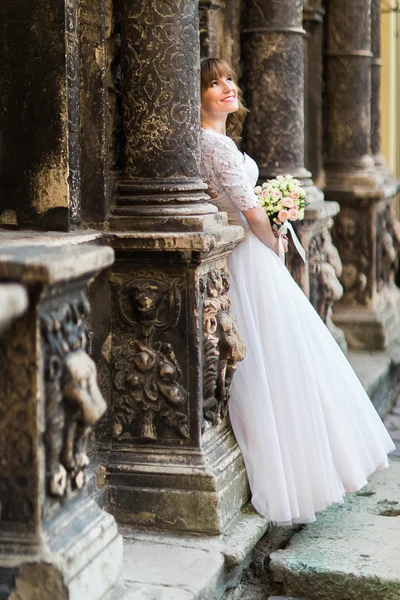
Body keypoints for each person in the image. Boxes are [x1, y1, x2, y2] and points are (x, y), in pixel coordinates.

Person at [200, 57, 395, 526]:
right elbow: (249, 214)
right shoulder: (213, 146)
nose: (227, 87)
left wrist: (275, 219)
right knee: (277, 360)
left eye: (229, 78)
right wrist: (274, 236)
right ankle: (297, 471)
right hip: (248, 260)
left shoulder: (219, 143)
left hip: (249, 257)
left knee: (284, 358)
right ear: (197, 96)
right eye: (212, 83)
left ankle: (306, 466)